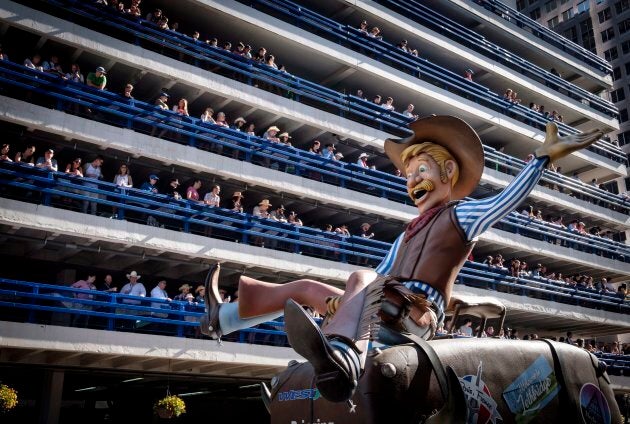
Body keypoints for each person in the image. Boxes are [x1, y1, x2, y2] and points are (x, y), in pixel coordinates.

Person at [200, 116, 604, 402]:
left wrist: (541, 158)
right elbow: (380, 274)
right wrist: (347, 303)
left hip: (418, 315)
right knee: (310, 289)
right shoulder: (407, 233)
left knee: (360, 279)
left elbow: (505, 202)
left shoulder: (461, 215)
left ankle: (342, 356)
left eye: (421, 169)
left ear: (447, 171)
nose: (413, 180)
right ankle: (225, 319)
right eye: (408, 175)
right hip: (383, 306)